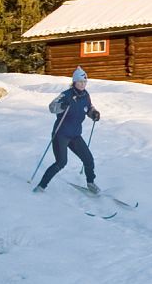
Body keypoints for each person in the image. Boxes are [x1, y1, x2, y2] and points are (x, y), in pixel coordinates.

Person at [33, 66, 102, 194]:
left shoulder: (86, 95)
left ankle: (91, 183)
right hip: (61, 134)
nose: (83, 84)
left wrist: (94, 113)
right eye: (80, 82)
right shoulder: (66, 94)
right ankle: (41, 186)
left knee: (88, 159)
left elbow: (88, 108)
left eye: (85, 82)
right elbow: (52, 107)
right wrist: (62, 106)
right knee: (61, 162)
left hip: (75, 135)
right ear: (74, 82)